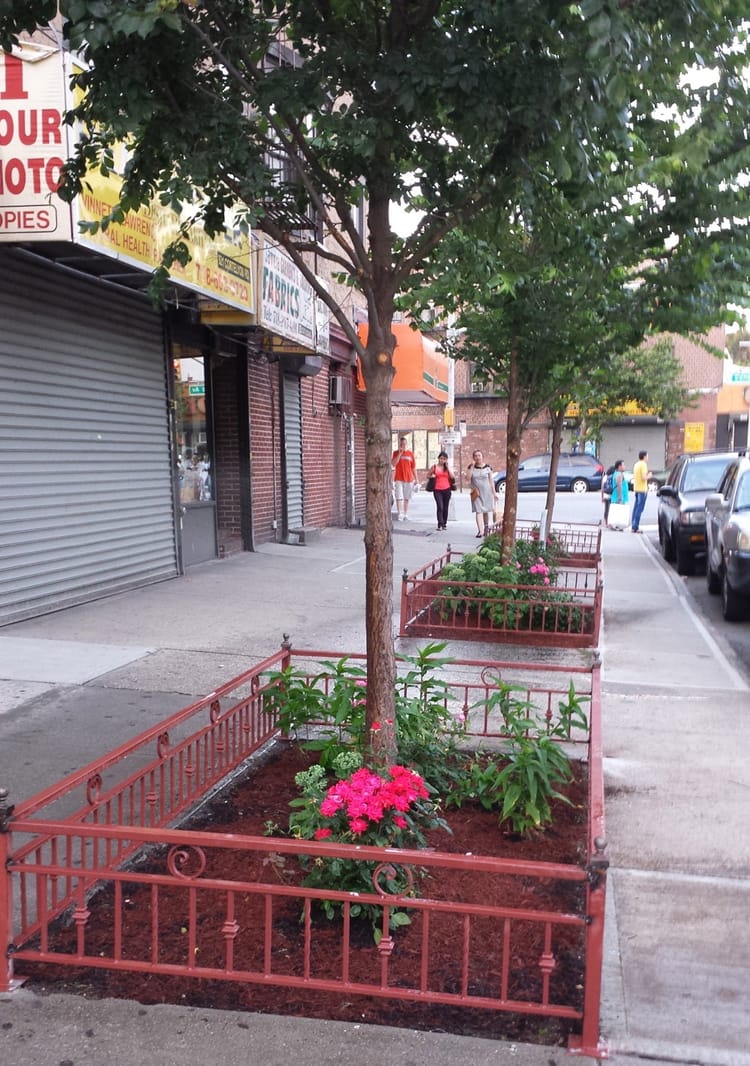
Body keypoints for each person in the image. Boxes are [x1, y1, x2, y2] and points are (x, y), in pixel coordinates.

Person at [468, 449, 497, 538]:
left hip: (487, 492)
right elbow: (467, 478)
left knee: (486, 511)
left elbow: (491, 481)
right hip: (476, 493)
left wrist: (494, 493)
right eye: (475, 456)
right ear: (473, 457)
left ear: (482, 457)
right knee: (478, 511)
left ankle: (486, 527)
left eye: (479, 455)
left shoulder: (488, 467)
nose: (477, 457)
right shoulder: (471, 467)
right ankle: (480, 531)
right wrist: (472, 467)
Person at [391, 435, 417, 521]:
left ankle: (405, 514)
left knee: (406, 497)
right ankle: (400, 514)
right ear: (399, 445)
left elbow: (413, 467)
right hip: (398, 478)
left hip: (409, 478)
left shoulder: (410, 454)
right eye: (401, 444)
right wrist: (400, 453)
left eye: (404, 444)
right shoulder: (395, 453)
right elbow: (393, 464)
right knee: (399, 496)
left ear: (407, 444)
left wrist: (416, 479)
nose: (403, 446)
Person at [427, 451, 455, 530]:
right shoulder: (434, 467)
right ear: (438, 458)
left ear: (446, 460)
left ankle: (444, 523)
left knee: (445, 507)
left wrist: (448, 467)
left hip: (447, 489)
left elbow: (452, 477)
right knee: (440, 506)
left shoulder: (447, 468)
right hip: (437, 489)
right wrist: (432, 476)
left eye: (444, 459)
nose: (442, 460)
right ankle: (440, 523)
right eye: (441, 458)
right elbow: (428, 475)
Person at [631, 449, 650, 533]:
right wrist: (649, 475)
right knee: (640, 508)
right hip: (642, 489)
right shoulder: (643, 465)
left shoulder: (636, 464)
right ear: (644, 456)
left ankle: (633, 524)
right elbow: (644, 477)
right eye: (647, 455)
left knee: (636, 508)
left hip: (636, 488)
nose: (648, 457)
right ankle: (636, 527)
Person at [609, 459, 629, 530]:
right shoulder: (619, 475)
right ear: (619, 466)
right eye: (623, 465)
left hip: (616, 497)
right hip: (618, 497)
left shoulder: (616, 474)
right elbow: (619, 486)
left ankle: (615, 525)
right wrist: (620, 498)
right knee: (618, 512)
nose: (625, 466)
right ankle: (616, 526)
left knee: (616, 512)